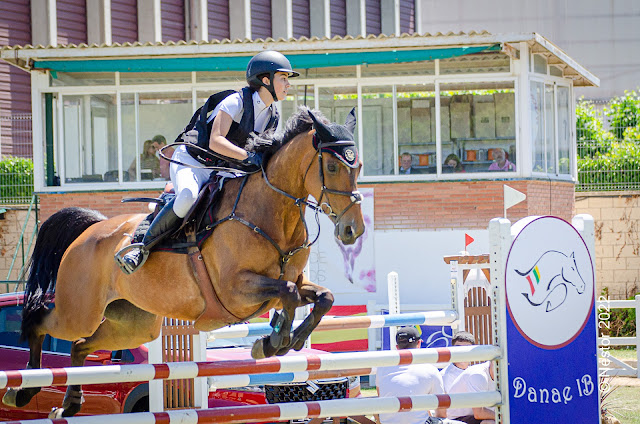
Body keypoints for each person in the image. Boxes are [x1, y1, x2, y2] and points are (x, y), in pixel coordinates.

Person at [115, 50, 298, 274]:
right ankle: (141, 247)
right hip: (193, 161)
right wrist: (247, 157)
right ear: (265, 80)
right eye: (284, 78)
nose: (288, 84)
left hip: (223, 170)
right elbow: (216, 141)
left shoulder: (272, 114)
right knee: (187, 197)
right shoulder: (236, 102)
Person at [375, 326, 448, 424]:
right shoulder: (430, 370)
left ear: (397, 347)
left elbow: (381, 397)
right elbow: (441, 412)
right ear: (419, 344)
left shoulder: (382, 368)